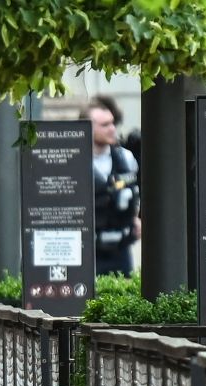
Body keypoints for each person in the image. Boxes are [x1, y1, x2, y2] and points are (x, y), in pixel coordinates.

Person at [80, 99, 141, 276]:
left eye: (112, 123)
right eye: (105, 125)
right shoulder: (74, 161)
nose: (112, 128)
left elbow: (136, 190)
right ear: (87, 128)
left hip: (120, 251)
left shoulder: (126, 158)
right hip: (88, 251)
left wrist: (138, 218)